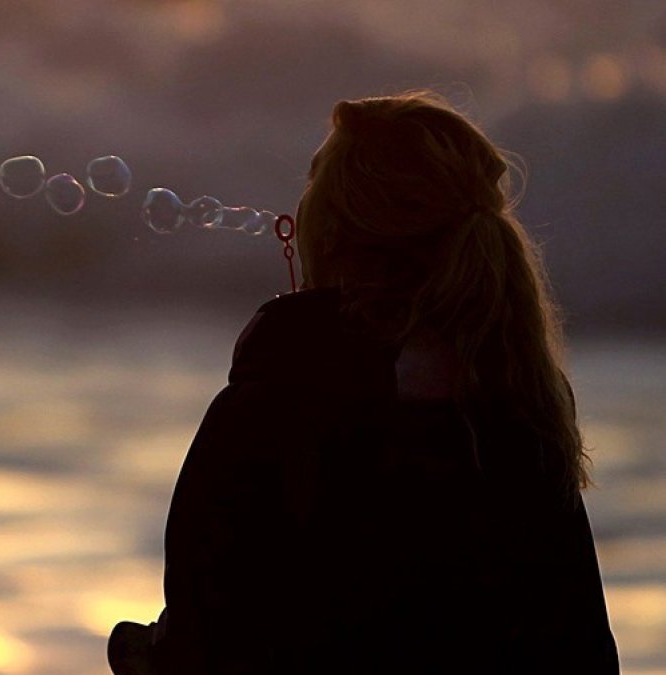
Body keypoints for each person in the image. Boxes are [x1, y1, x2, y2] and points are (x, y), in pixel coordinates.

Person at [109, 92, 620, 674]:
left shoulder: (267, 411)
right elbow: (581, 651)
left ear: (326, 235)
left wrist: (143, 654)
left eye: (313, 181)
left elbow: (206, 649)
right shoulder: (518, 410)